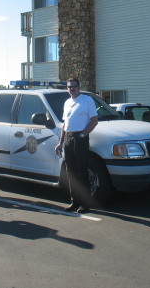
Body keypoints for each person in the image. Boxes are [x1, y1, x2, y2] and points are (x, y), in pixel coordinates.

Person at [55, 78, 98, 214]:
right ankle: (75, 202)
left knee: (81, 171)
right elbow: (64, 124)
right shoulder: (67, 102)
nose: (72, 88)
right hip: (68, 137)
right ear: (67, 88)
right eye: (69, 87)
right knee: (71, 172)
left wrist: (83, 134)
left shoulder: (87, 100)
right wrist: (61, 141)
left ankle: (85, 204)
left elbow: (94, 121)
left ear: (79, 87)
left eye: (74, 86)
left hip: (80, 138)